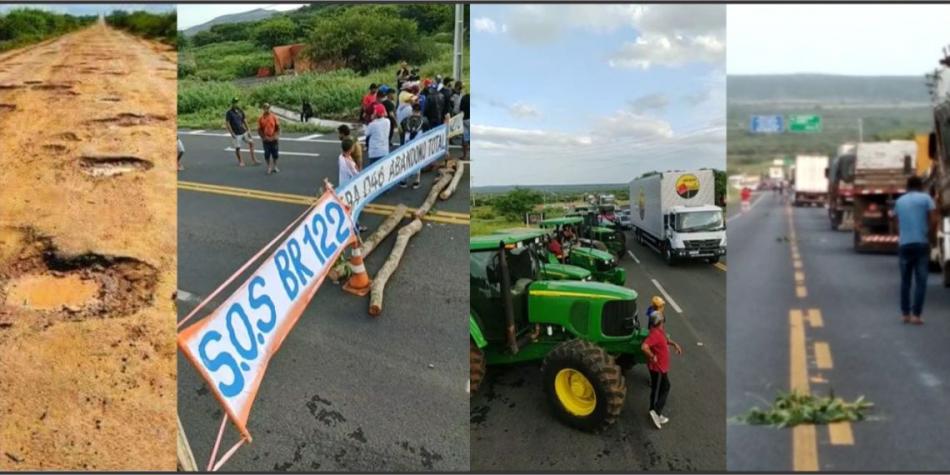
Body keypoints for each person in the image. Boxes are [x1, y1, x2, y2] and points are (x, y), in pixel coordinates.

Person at [894, 175, 939, 325]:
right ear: (920, 186)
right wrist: (930, 235)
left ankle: (905, 314)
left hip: (905, 245)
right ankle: (916, 315)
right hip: (921, 244)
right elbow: (934, 219)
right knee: (921, 281)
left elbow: (896, 222)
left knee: (905, 281)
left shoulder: (899, 201)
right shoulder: (926, 199)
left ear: (907, 186)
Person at [641, 296, 683, 430]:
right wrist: (652, 355)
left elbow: (664, 341)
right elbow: (644, 346)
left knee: (661, 388)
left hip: (662, 368)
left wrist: (674, 344)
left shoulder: (659, 331)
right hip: (657, 368)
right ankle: (655, 412)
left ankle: (654, 411)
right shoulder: (654, 334)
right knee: (660, 388)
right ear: (659, 322)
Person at [338, 138, 366, 232]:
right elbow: (356, 174)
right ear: (351, 149)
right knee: (352, 208)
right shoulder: (349, 162)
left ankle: (355, 226)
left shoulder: (341, 157)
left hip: (343, 185)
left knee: (348, 208)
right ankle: (355, 228)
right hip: (349, 188)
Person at [399, 103, 429, 189]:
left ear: (412, 110)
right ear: (420, 111)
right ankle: (417, 180)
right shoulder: (425, 120)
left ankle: (404, 180)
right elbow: (428, 133)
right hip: (419, 144)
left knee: (406, 161)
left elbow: (401, 132)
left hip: (407, 144)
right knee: (417, 161)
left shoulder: (405, 120)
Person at [225, 98, 258, 167]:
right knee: (238, 148)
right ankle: (241, 161)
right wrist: (232, 133)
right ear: (232, 103)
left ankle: (254, 159)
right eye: (235, 102)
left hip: (243, 131)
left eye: (237, 102)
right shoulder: (229, 112)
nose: (236, 104)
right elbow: (228, 124)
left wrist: (248, 129)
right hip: (236, 133)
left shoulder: (240, 111)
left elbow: (244, 120)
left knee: (251, 143)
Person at [257, 103, 280, 174]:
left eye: (268, 108)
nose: (267, 109)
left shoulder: (274, 117)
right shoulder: (260, 118)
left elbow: (278, 128)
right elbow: (259, 129)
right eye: (265, 108)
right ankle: (269, 167)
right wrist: (263, 137)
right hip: (266, 139)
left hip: (273, 138)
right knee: (267, 154)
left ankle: (275, 166)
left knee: (275, 154)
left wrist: (276, 136)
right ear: (263, 109)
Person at [460, 90, 470, 160]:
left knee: (465, 138)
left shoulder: (464, 98)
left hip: (465, 119)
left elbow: (460, 109)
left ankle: (465, 156)